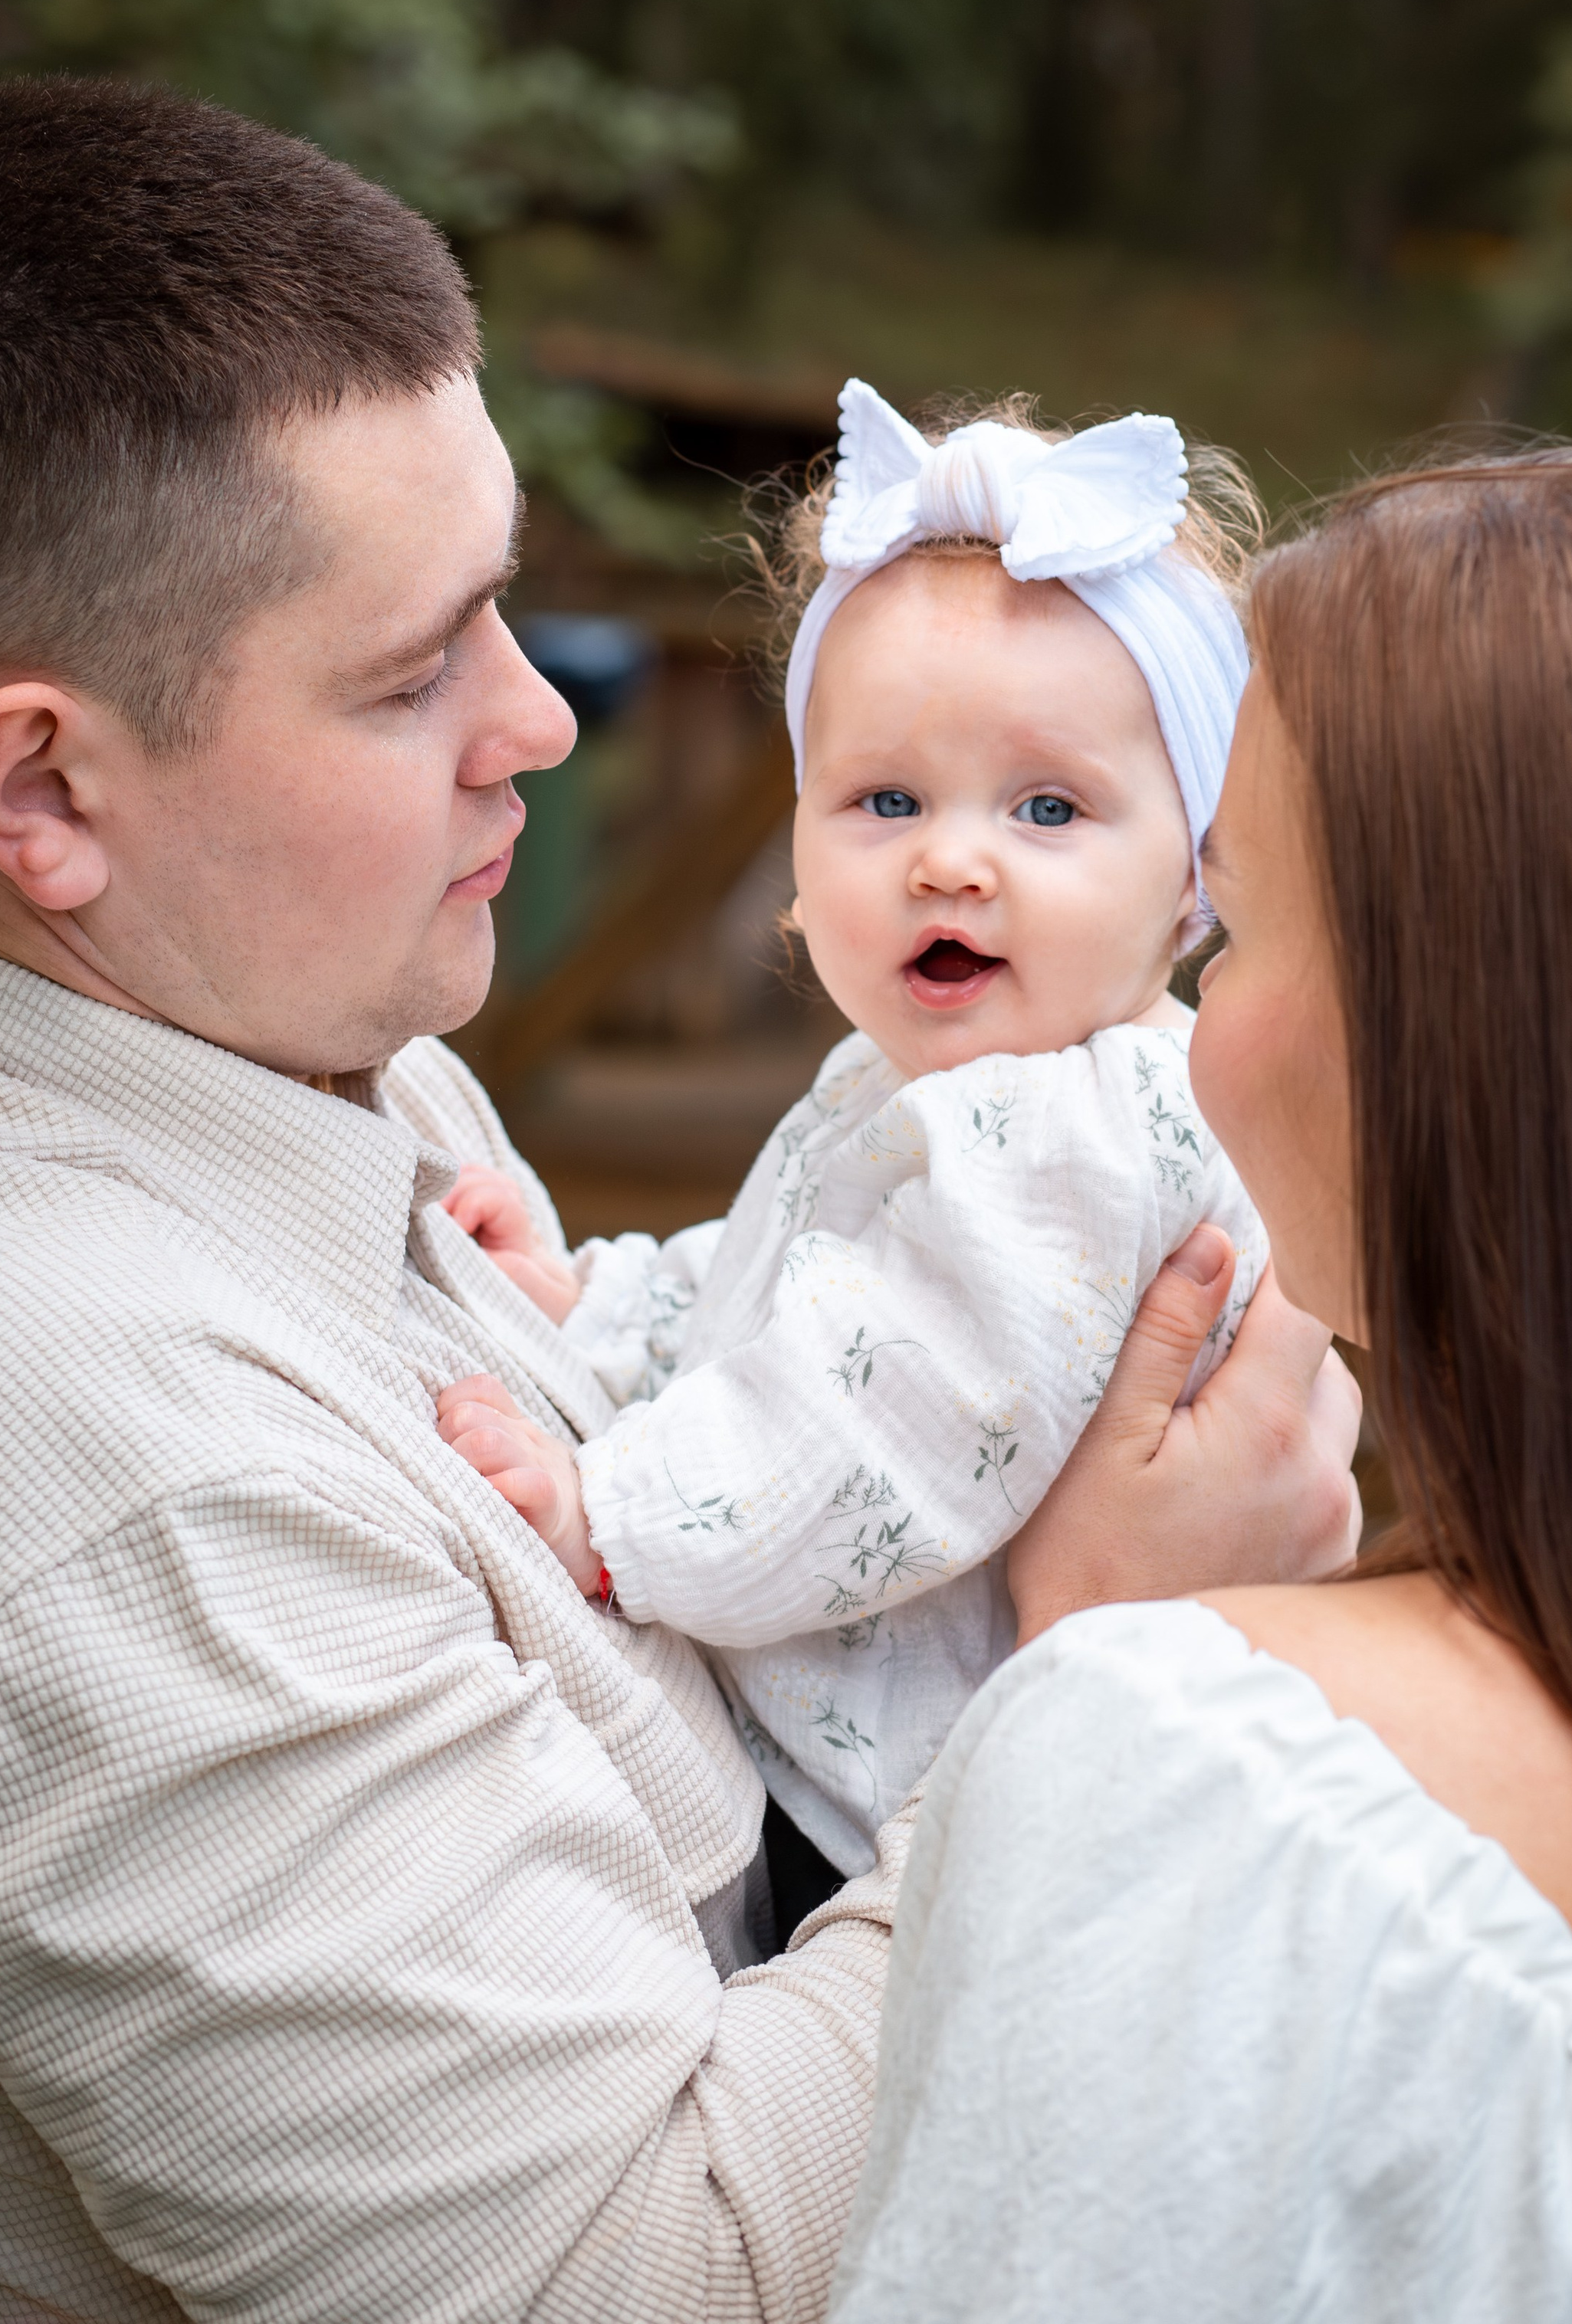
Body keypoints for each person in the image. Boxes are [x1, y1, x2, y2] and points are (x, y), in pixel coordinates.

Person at [0, 74, 1361, 2323]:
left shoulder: (346, 1058)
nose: (544, 724)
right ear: (47, 791)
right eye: (415, 676)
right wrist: (1116, 1679)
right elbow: (618, 2281)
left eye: (508, 613)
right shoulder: (112, 1458)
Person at [829, 446, 1572, 2322]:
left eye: (1220, 928)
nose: (1187, 1028)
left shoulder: (1199, 1774)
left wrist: (1072, 1646)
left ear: (1446, 1047)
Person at [433, 376, 1304, 1881]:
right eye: (885, 800)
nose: (951, 863)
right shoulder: (940, 1083)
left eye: (1046, 812)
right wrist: (609, 1303)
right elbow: (813, 1291)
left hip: (894, 1798)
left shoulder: (1076, 1130)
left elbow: (901, 1412)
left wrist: (608, 1512)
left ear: (1193, 876)